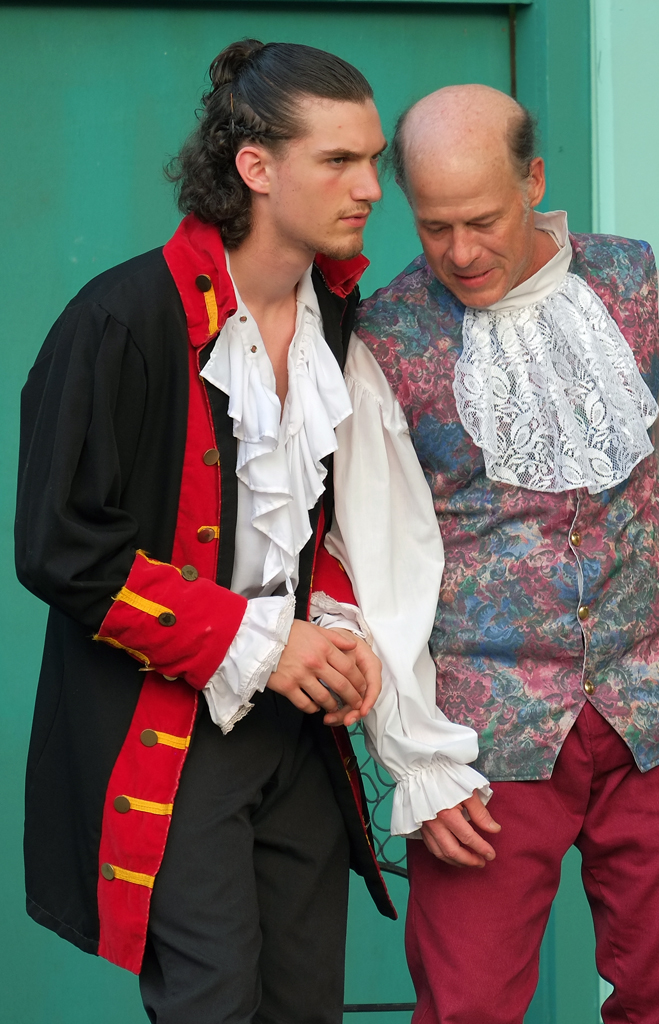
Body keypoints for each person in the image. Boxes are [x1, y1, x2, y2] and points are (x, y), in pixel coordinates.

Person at [326, 85, 659, 1024]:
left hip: (654, 705)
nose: (460, 252)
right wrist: (421, 760)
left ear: (534, 182)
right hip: (485, 740)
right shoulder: (386, 339)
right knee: (468, 1008)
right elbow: (386, 568)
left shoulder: (632, 284)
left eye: (481, 220)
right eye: (435, 227)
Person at [16, 39, 394, 1024]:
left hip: (298, 734)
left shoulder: (337, 316)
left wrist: (334, 627)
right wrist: (262, 644)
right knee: (212, 1004)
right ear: (255, 166)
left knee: (305, 1006)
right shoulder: (121, 319)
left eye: (373, 160)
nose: (369, 188)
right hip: (176, 726)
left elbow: (324, 516)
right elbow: (62, 547)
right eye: (338, 160)